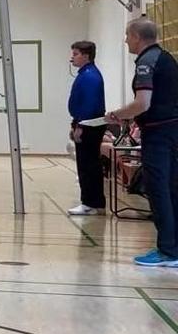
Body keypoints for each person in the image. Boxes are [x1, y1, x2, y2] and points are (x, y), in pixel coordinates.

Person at [108, 19, 178, 267]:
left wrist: (116, 114)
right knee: (171, 187)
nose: (126, 40)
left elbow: (142, 103)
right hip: (172, 131)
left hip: (158, 134)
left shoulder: (146, 62)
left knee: (158, 188)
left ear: (137, 37)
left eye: (128, 35)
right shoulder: (166, 58)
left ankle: (168, 250)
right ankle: (173, 246)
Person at [67, 40, 106, 216]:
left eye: (76, 54)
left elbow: (89, 105)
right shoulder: (85, 74)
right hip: (85, 122)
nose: (72, 58)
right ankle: (93, 202)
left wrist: (80, 126)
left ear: (86, 56)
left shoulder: (90, 76)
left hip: (89, 124)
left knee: (87, 165)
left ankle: (90, 203)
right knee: (87, 164)